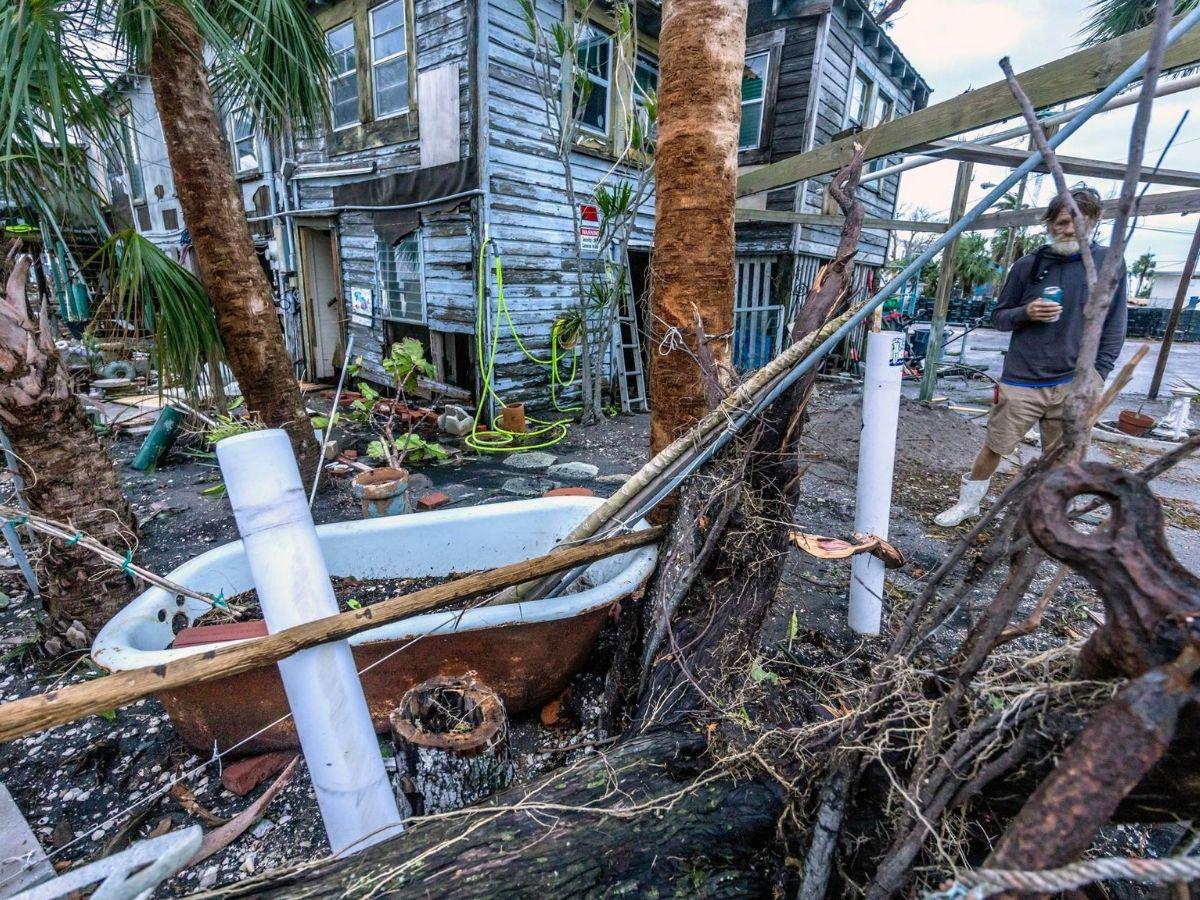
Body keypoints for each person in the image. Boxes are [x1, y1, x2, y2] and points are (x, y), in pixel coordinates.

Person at [934, 186, 1127, 527]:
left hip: (1074, 380)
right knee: (996, 445)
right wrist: (1026, 312)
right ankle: (969, 505)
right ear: (1050, 222)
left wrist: (1099, 374)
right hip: (1023, 378)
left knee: (1062, 457)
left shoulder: (1109, 264)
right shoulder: (1029, 265)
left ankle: (1049, 516)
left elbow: (1115, 324)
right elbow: (999, 316)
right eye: (1062, 222)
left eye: (1078, 223)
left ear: (1095, 222)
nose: (1069, 231)